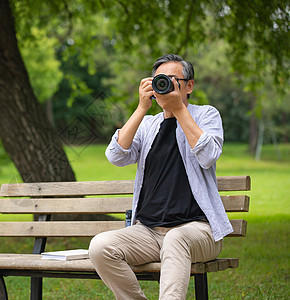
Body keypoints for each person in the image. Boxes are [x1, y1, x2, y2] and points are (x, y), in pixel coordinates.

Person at [88, 54, 233, 300]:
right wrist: (141, 107)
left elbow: (208, 155)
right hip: (149, 232)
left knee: (176, 238)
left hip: (198, 230)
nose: (163, 84)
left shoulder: (206, 115)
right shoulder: (147, 125)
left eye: (171, 79)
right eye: (158, 80)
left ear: (189, 86)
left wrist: (178, 109)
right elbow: (115, 155)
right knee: (101, 247)